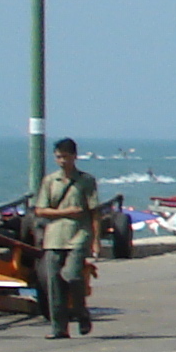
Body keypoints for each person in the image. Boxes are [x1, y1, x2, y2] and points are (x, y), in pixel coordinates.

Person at [31, 137, 102, 338]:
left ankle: (80, 311)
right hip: (54, 236)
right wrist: (66, 212)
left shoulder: (86, 181)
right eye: (58, 157)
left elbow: (94, 212)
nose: (62, 161)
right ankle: (59, 328)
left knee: (71, 274)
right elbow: (40, 210)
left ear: (74, 157)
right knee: (54, 283)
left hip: (79, 234)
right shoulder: (50, 181)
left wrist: (96, 240)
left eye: (66, 157)